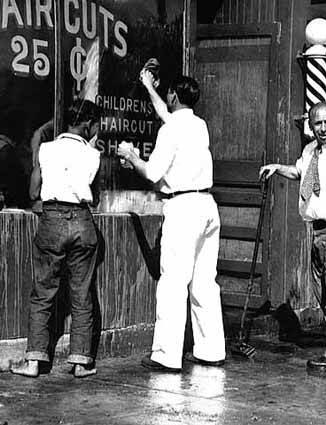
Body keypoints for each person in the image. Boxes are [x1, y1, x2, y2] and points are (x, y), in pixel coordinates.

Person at [117, 74, 226, 371]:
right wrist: (150, 87)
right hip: (207, 205)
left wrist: (130, 155)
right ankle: (211, 350)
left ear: (175, 97)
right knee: (204, 282)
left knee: (173, 282)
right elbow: (166, 114)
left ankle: (166, 356)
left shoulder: (170, 131)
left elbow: (152, 173)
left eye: (167, 95)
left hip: (183, 207)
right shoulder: (198, 125)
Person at [260, 102, 326, 371]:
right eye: (317, 123)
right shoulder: (310, 151)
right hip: (317, 230)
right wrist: (277, 168)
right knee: (323, 291)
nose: (322, 128)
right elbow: (300, 172)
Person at [10, 100, 102, 378]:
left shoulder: (46, 150)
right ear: (88, 125)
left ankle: (34, 361)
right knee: (82, 294)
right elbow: (94, 199)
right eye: (95, 124)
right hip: (83, 223)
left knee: (43, 293)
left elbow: (34, 191)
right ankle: (81, 361)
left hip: (51, 220)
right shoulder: (93, 155)